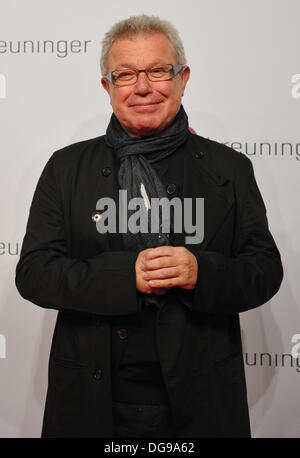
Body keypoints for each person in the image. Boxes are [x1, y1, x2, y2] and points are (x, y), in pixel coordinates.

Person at [15, 14, 283, 438]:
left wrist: (203, 272)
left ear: (183, 77)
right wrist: (125, 276)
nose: (142, 87)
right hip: (92, 400)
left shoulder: (228, 168)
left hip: (203, 401)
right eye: (125, 75)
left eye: (158, 70)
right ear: (107, 86)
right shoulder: (66, 168)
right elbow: (32, 274)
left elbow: (265, 271)